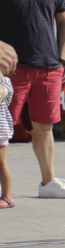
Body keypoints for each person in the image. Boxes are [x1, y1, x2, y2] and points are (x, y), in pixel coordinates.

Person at [0, 0, 65, 199]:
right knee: (1, 131)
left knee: (44, 126)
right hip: (9, 72)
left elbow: (64, 22)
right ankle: (3, 187)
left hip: (48, 68)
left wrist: (62, 59)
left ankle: (48, 182)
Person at [0, 73, 12, 209]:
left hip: (1, 131)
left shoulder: (4, 83)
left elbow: (7, 100)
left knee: (2, 164)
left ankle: (7, 196)